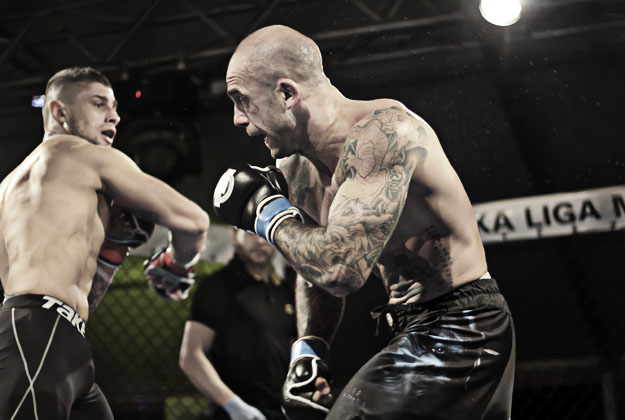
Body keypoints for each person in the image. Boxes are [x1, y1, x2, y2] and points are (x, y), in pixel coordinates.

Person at [213, 25, 515, 420]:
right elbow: (315, 262)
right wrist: (310, 347)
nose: (238, 119)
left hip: (463, 326)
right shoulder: (296, 169)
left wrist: (265, 213)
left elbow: (341, 268)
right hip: (414, 327)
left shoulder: (384, 135)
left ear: (287, 93)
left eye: (242, 100)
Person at [0, 66, 210, 420]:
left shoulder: (6, 189)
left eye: (114, 107)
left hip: (53, 337)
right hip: (39, 341)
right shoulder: (88, 156)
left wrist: (112, 250)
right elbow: (194, 221)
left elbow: (66, 300)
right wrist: (177, 265)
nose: (114, 116)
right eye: (99, 104)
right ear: (59, 111)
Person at [179, 228, 296, 420]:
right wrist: (232, 404)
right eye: (250, 232)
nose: (260, 241)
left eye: (266, 233)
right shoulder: (218, 286)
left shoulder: (285, 291)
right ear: (234, 236)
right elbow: (191, 355)